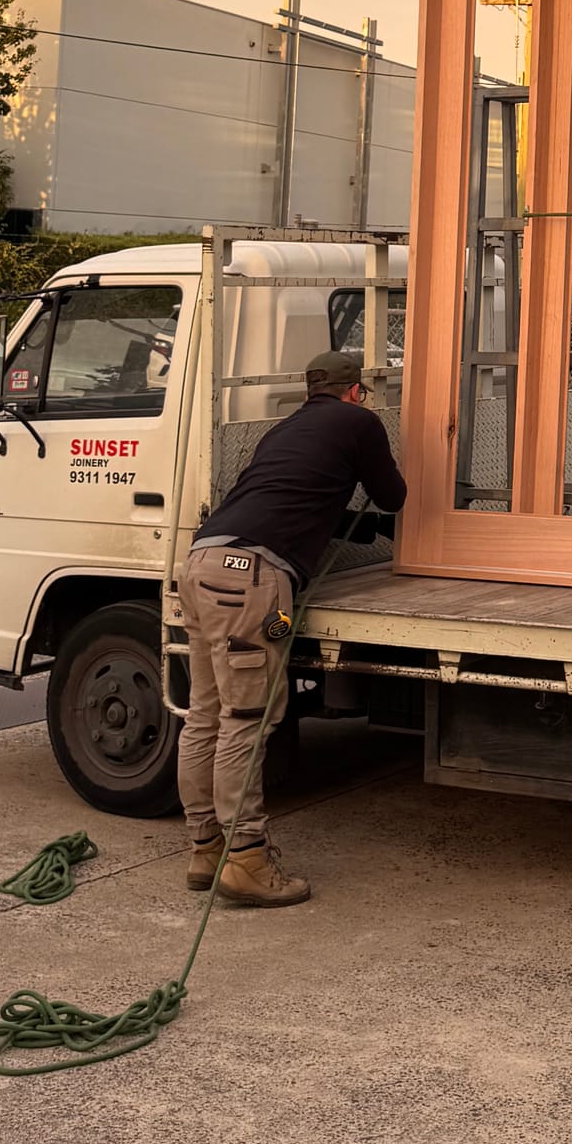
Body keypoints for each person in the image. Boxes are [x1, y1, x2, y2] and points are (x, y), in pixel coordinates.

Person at [176, 351, 406, 908]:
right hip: (252, 581)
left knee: (204, 714)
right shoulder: (359, 423)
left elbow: (281, 496)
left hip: (202, 565)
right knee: (247, 720)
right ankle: (248, 860)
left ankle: (206, 850)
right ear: (355, 391)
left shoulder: (284, 429)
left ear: (311, 391)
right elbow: (393, 496)